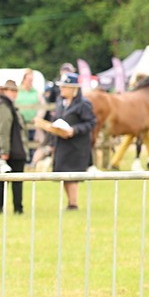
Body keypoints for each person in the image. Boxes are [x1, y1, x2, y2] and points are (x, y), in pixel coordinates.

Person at [34, 72, 96, 210]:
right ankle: (70, 202)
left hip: (77, 145)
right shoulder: (60, 103)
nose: (61, 90)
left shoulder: (84, 104)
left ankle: (73, 203)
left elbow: (91, 123)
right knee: (63, 172)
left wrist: (74, 130)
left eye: (65, 87)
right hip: (62, 143)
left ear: (73, 88)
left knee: (72, 173)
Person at [0, 80, 28, 214]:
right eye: (10, 90)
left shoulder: (6, 105)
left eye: (15, 91)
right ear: (4, 91)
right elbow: (3, 129)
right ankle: (5, 209)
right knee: (4, 181)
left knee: (8, 180)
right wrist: (4, 151)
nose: (13, 93)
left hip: (12, 149)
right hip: (11, 150)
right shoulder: (4, 106)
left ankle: (12, 209)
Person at [17, 70, 40, 144]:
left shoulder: (35, 92)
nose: (30, 82)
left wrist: (38, 117)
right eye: (29, 80)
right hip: (19, 122)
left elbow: (43, 106)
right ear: (24, 79)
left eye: (31, 80)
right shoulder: (17, 90)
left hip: (31, 123)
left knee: (31, 142)